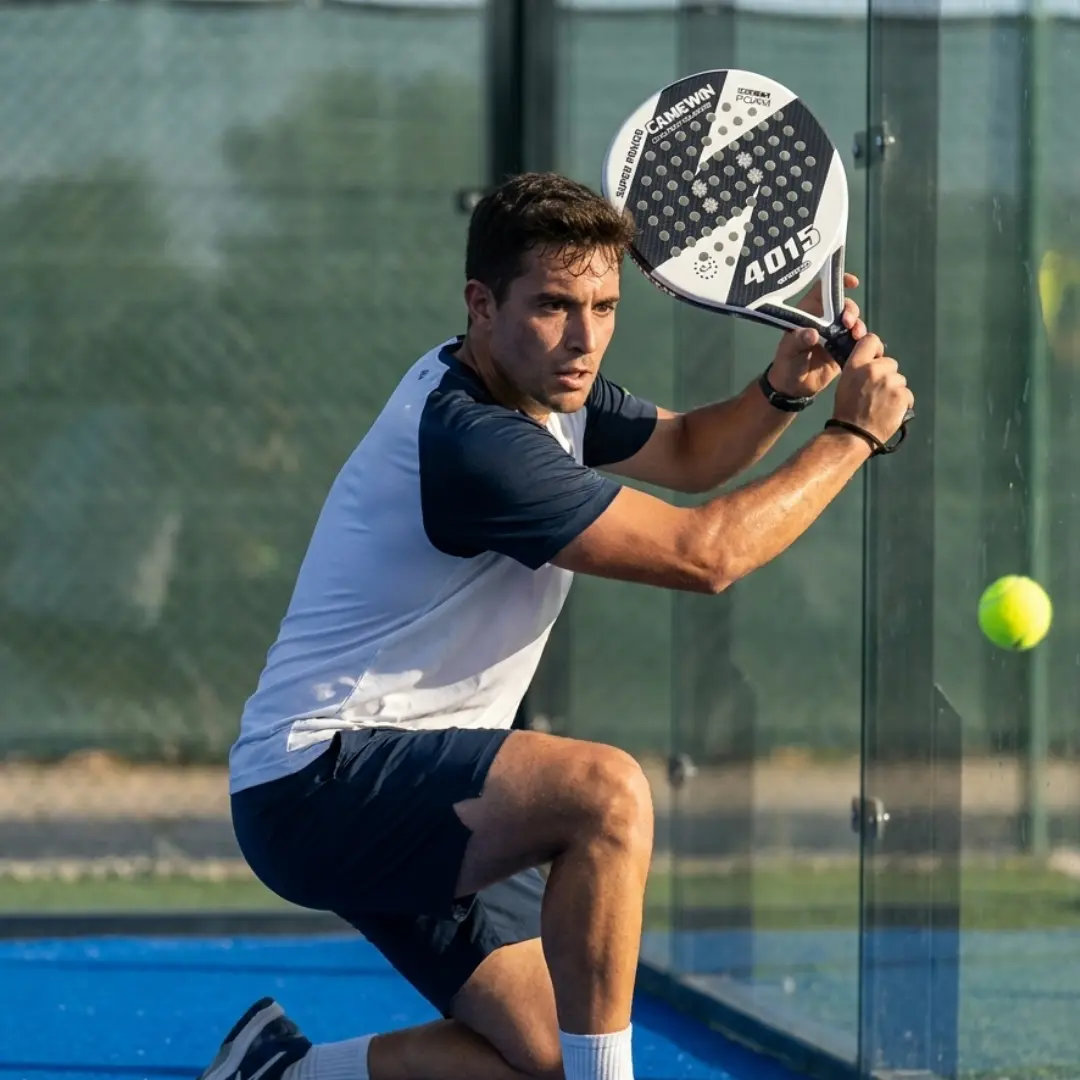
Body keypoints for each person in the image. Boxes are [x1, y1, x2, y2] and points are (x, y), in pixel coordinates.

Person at [201, 172, 913, 1080]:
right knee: (605, 795)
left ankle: (282, 1072)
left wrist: (784, 388)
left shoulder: (544, 390)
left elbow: (690, 452)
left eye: (604, 307)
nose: (584, 337)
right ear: (481, 305)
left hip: (418, 776)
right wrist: (853, 436)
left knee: (546, 1054)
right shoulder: (473, 441)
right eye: (553, 306)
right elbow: (707, 555)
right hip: (320, 784)